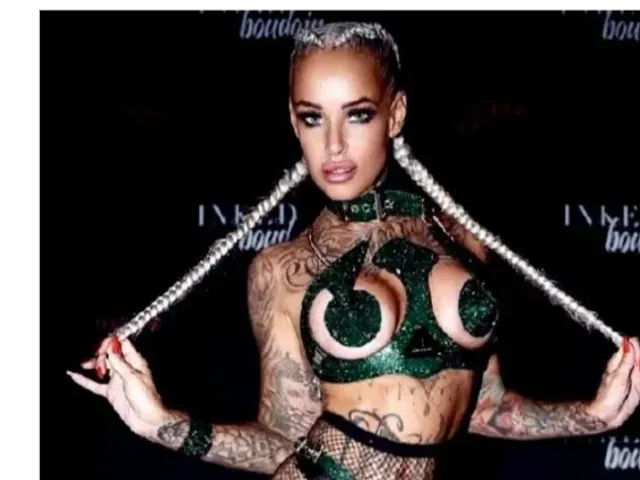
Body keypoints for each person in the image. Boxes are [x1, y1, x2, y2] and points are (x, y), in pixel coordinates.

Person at [68, 21, 640, 479]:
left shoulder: (462, 240)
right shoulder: (279, 269)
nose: (334, 145)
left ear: (396, 114)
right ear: (294, 124)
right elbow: (283, 441)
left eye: (358, 114)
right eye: (312, 118)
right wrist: (165, 427)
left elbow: (484, 409)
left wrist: (591, 416)